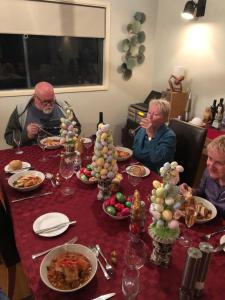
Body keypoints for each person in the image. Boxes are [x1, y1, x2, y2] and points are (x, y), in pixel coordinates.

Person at [4, 81, 81, 146]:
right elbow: (8, 137)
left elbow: (77, 127)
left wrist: (70, 132)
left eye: (51, 100)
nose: (49, 105)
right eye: (45, 102)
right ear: (35, 97)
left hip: (60, 150)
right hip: (32, 154)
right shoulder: (21, 110)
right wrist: (27, 135)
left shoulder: (64, 106)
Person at [180, 135, 225, 217]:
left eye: (219, 163)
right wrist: (192, 192)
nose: (211, 166)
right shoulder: (208, 172)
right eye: (210, 158)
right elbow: (202, 192)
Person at [133, 99, 176, 173]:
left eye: (156, 114)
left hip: (156, 174)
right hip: (139, 169)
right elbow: (135, 150)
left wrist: (151, 135)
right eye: (149, 113)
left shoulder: (169, 136)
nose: (150, 117)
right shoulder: (143, 129)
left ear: (164, 119)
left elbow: (157, 160)